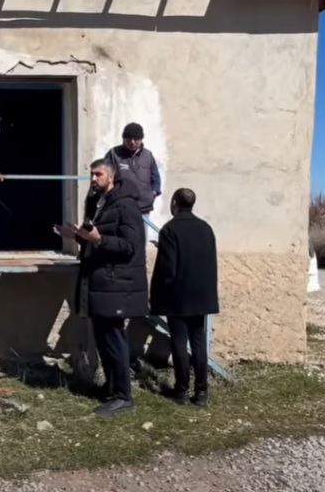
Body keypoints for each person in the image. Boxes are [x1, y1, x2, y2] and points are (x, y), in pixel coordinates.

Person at [56, 159, 149, 417]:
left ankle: (123, 397)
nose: (94, 179)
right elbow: (98, 238)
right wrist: (78, 236)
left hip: (115, 285)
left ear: (112, 176)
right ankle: (112, 390)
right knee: (105, 341)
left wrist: (98, 239)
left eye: (98, 174)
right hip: (101, 284)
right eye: (92, 174)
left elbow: (130, 246)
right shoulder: (99, 202)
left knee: (114, 341)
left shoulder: (126, 205)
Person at [149, 188, 219, 407]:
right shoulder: (206, 228)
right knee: (198, 341)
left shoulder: (170, 230)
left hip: (178, 294)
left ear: (174, 203)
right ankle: (202, 391)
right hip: (201, 295)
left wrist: (157, 295)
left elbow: (167, 269)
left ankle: (181, 389)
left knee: (179, 340)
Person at [103, 122, 162, 216]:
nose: (132, 142)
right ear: (124, 139)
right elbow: (105, 177)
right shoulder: (114, 154)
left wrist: (154, 193)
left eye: (136, 139)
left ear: (141, 139)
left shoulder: (148, 155)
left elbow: (155, 176)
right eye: (129, 139)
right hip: (121, 207)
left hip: (143, 207)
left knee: (143, 226)